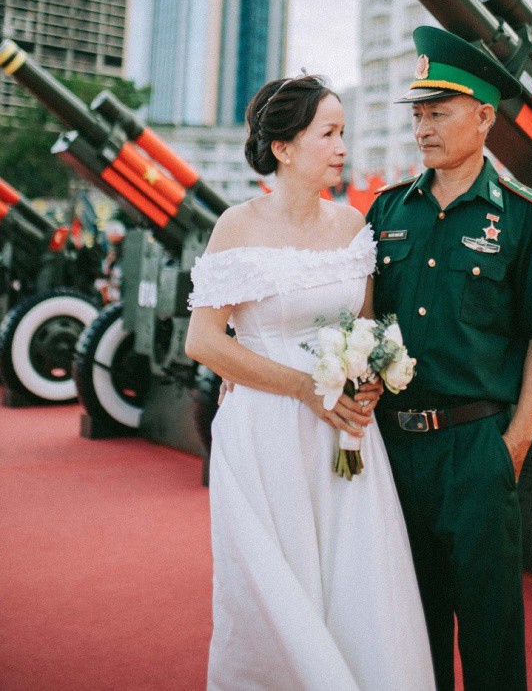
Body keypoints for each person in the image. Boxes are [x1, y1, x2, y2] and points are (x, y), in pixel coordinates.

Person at [185, 75, 435, 691]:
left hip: (346, 433)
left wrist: (372, 377)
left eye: (343, 132)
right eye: (328, 133)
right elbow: (205, 342)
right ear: (284, 148)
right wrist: (302, 387)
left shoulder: (352, 224)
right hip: (266, 432)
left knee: (357, 579)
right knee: (275, 587)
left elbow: (367, 326)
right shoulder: (236, 227)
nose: (342, 147)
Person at [367, 26, 532, 691]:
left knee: (490, 628)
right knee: (410, 628)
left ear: (485, 117)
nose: (423, 130)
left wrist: (516, 440)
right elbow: (360, 318)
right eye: (418, 115)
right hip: (394, 449)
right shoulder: (386, 211)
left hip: (476, 447)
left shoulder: (523, 216)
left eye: (439, 114)